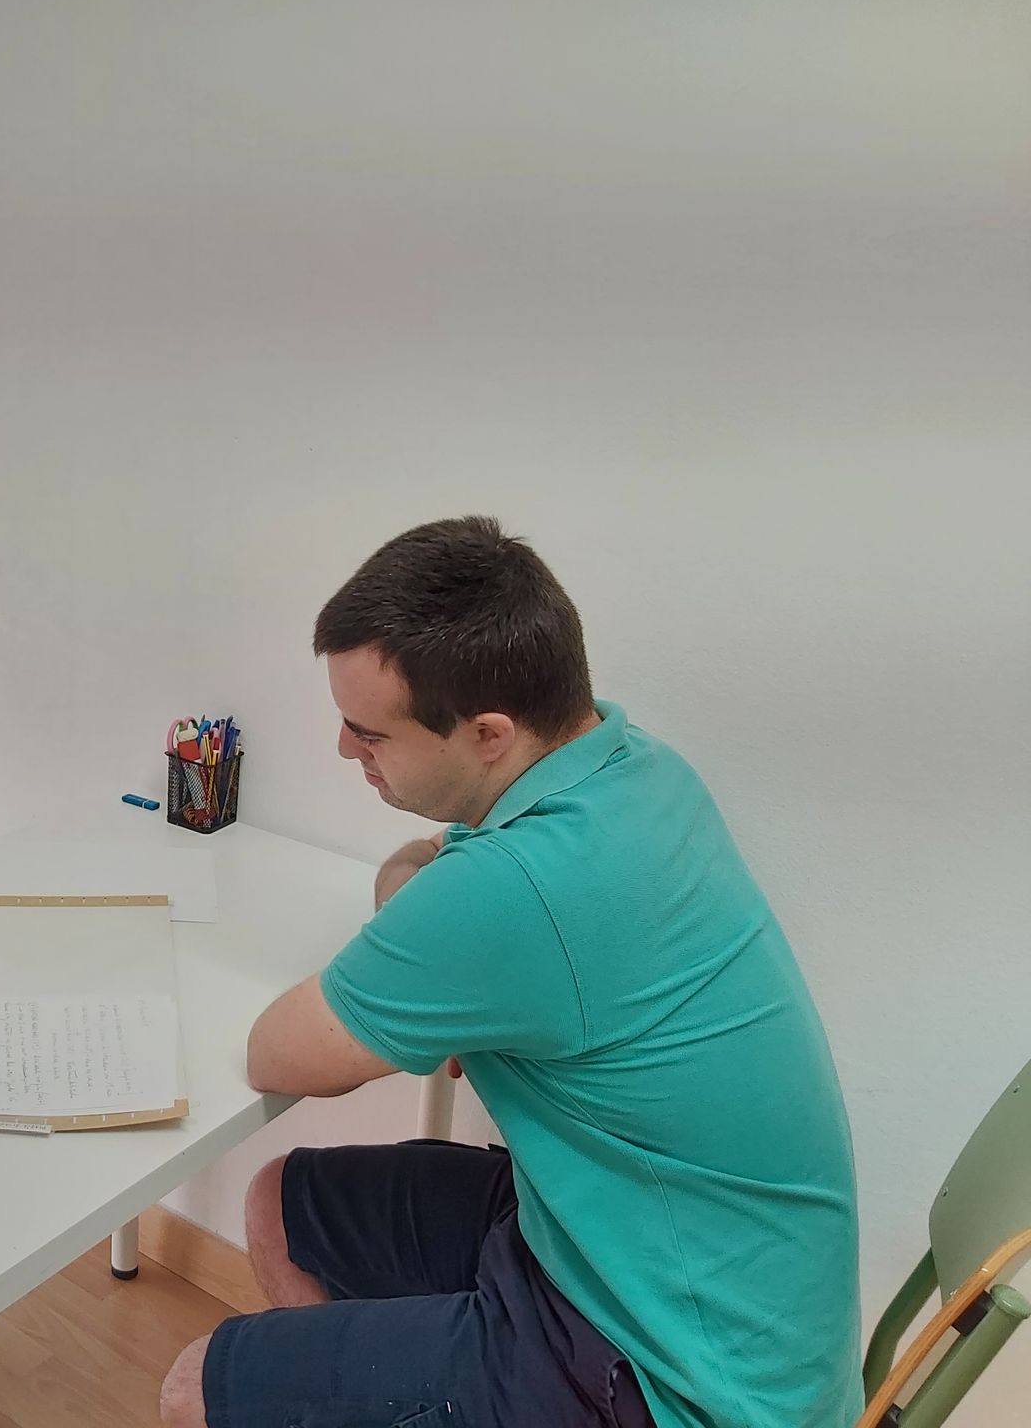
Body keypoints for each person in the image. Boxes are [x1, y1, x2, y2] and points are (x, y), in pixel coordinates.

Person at [160, 517, 860, 1428]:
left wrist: (440, 952)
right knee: (282, 1206)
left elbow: (277, 1054)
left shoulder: (519, 886)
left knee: (195, 1387)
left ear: (488, 733)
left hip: (678, 1376)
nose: (344, 751)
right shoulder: (632, 768)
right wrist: (444, 963)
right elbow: (426, 864)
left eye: (369, 734)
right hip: (633, 1243)